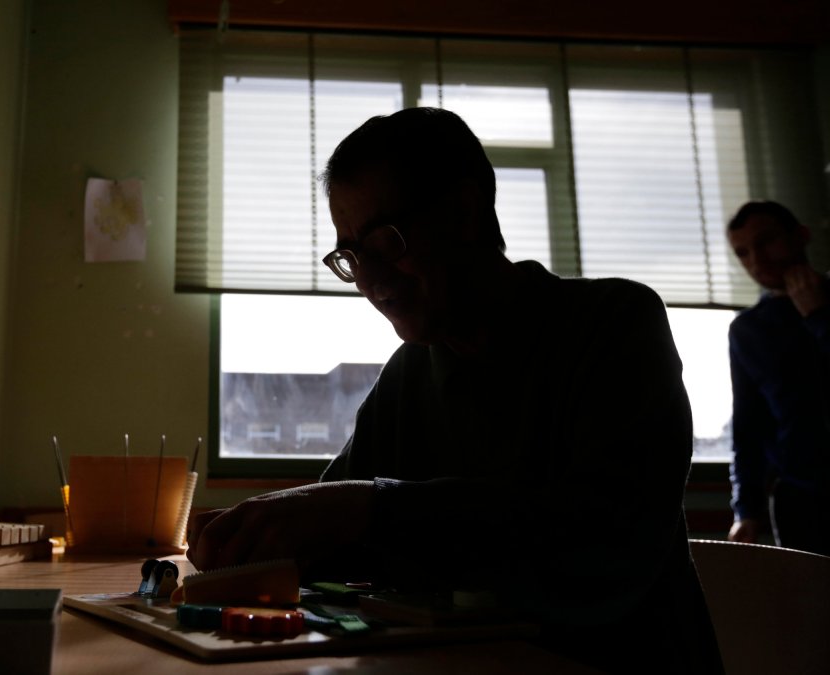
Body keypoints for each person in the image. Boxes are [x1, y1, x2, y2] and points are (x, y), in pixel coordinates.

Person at [188, 107, 723, 673]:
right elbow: (337, 526)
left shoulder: (613, 323)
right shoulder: (409, 374)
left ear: (465, 212)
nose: (368, 280)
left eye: (387, 241)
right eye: (351, 255)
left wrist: (372, 509)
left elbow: (605, 533)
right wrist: (255, 537)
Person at [725, 200, 830, 556]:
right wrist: (746, 510)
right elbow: (748, 424)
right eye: (743, 252)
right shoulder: (747, 330)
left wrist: (817, 316)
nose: (757, 260)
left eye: (767, 241)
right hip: (800, 496)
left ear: (800, 236)